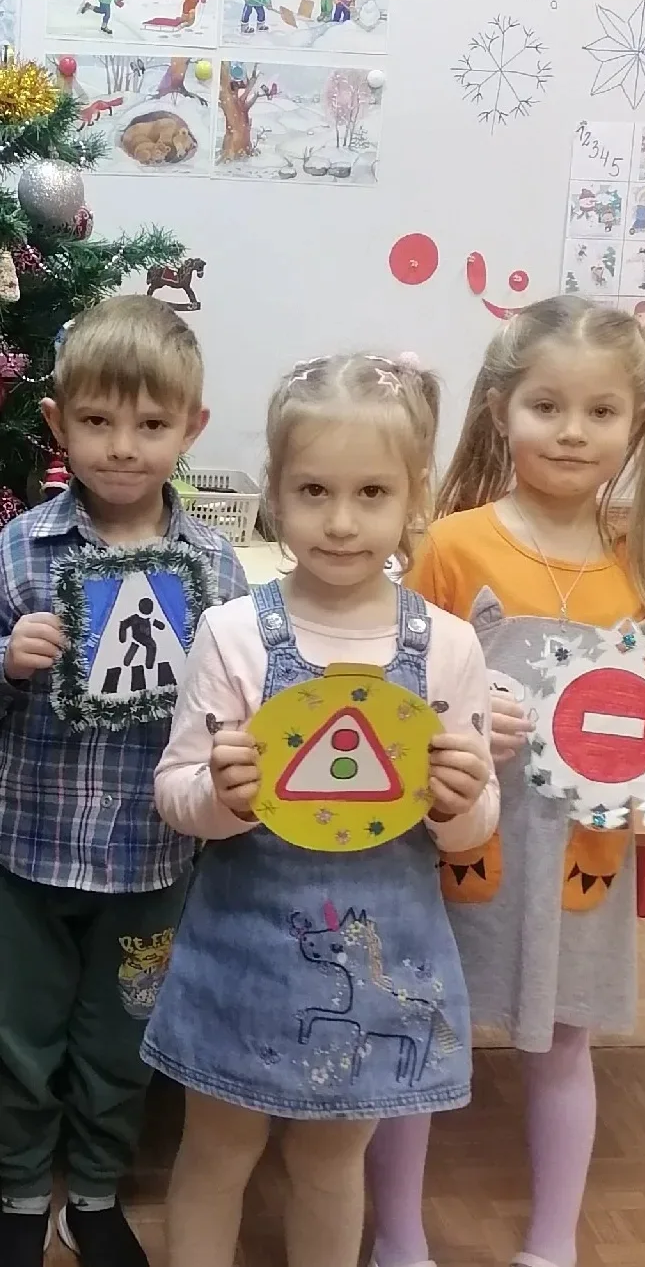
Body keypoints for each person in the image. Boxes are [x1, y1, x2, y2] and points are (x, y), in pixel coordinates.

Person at [141, 352, 500, 1267]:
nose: (341, 522)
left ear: (413, 497)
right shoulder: (233, 632)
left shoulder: (448, 647)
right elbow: (175, 794)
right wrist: (222, 798)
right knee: (216, 1152)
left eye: (371, 492)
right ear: (275, 493)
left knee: (333, 1162)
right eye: (313, 491)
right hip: (242, 945)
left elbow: (472, 828)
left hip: (386, 949)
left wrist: (460, 804)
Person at [367, 297, 645, 1267]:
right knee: (423, 1034)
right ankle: (397, 1240)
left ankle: (553, 1245)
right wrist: (457, 713)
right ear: (501, 408)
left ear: (637, 421)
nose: (572, 431)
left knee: (563, 1045)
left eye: (600, 411)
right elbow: (387, 691)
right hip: (457, 842)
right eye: (547, 406)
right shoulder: (450, 545)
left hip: (580, 854)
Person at [0, 297, 247, 1267]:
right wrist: (6, 659)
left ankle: (95, 1193)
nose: (122, 447)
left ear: (191, 428)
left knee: (120, 1041)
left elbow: (243, 696)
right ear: (57, 423)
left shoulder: (215, 568)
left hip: (152, 860)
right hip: (27, 851)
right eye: (97, 421)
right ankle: (21, 1191)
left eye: (150, 424)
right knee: (18, 1037)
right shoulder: (19, 551)